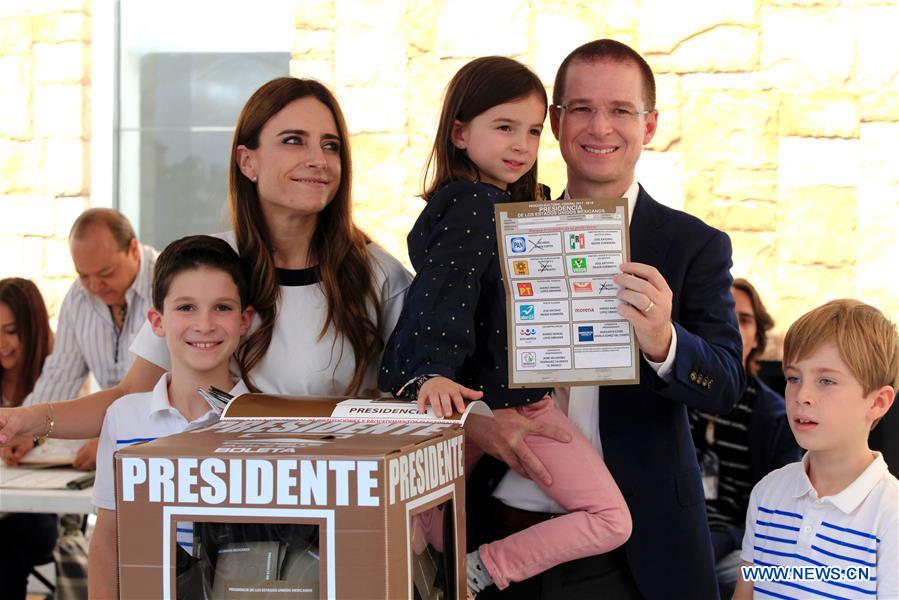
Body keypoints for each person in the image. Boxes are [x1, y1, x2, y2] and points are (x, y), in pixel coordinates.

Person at [463, 39, 744, 599]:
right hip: (499, 526)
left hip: (635, 545)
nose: (600, 127)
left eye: (621, 110)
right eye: (582, 109)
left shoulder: (693, 245)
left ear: (650, 125)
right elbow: (450, 360)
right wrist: (477, 420)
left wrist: (666, 341)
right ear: (558, 122)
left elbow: (727, 384)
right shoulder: (497, 229)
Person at [0, 78, 410, 448]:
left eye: (330, 145)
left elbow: (421, 411)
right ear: (247, 162)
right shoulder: (207, 266)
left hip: (340, 510)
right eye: (293, 140)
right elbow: (130, 397)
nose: (318, 159)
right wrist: (29, 419)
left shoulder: (379, 275)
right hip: (223, 506)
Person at [379, 56, 631, 597]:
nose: (522, 144)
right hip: (501, 398)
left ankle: (425, 562)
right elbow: (442, 293)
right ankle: (485, 567)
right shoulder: (474, 204)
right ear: (460, 131)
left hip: (481, 398)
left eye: (535, 130)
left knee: (427, 519)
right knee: (612, 517)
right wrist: (428, 374)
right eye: (504, 127)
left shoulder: (495, 206)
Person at [88, 235, 254, 598]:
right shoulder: (123, 418)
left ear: (244, 320)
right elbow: (108, 538)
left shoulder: (261, 424)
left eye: (222, 308)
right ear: (157, 321)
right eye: (186, 308)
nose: (205, 324)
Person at [734, 299, 898, 599]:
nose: (802, 395)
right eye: (794, 378)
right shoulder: (768, 492)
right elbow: (745, 593)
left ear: (877, 402)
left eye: (826, 380)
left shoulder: (891, 512)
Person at [1, 208, 157, 471]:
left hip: (164, 447)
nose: (95, 286)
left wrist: (117, 437)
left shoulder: (169, 284)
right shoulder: (77, 298)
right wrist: (28, 430)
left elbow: (175, 390)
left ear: (133, 249)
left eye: (106, 273)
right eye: (84, 275)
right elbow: (60, 374)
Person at [689, 278, 800, 598]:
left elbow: (781, 510)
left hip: (736, 545)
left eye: (745, 319)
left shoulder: (778, 417)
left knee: (769, 580)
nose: (734, 326)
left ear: (756, 338)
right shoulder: (675, 395)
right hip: (669, 534)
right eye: (724, 315)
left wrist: (723, 540)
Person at [0, 278, 58, 600]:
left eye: (11, 331)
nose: (2, 342)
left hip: (44, 512)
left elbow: (77, 439)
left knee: (8, 543)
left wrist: (34, 441)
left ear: (32, 328)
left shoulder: (59, 377)